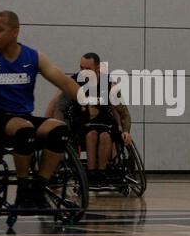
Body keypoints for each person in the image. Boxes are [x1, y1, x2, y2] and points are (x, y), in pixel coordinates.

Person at [0, 10, 83, 209]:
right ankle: (23, 190)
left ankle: (39, 188)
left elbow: (63, 80)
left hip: (23, 117)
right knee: (25, 129)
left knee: (59, 130)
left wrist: (86, 100)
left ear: (15, 32)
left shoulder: (33, 57)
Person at [45, 52, 132, 183]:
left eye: (88, 69)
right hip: (81, 125)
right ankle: (90, 173)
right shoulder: (73, 82)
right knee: (91, 134)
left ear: (97, 68)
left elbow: (124, 112)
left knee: (105, 136)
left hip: (104, 124)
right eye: (81, 68)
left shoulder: (109, 84)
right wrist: (62, 127)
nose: (83, 72)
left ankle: (101, 172)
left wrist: (126, 131)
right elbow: (59, 108)